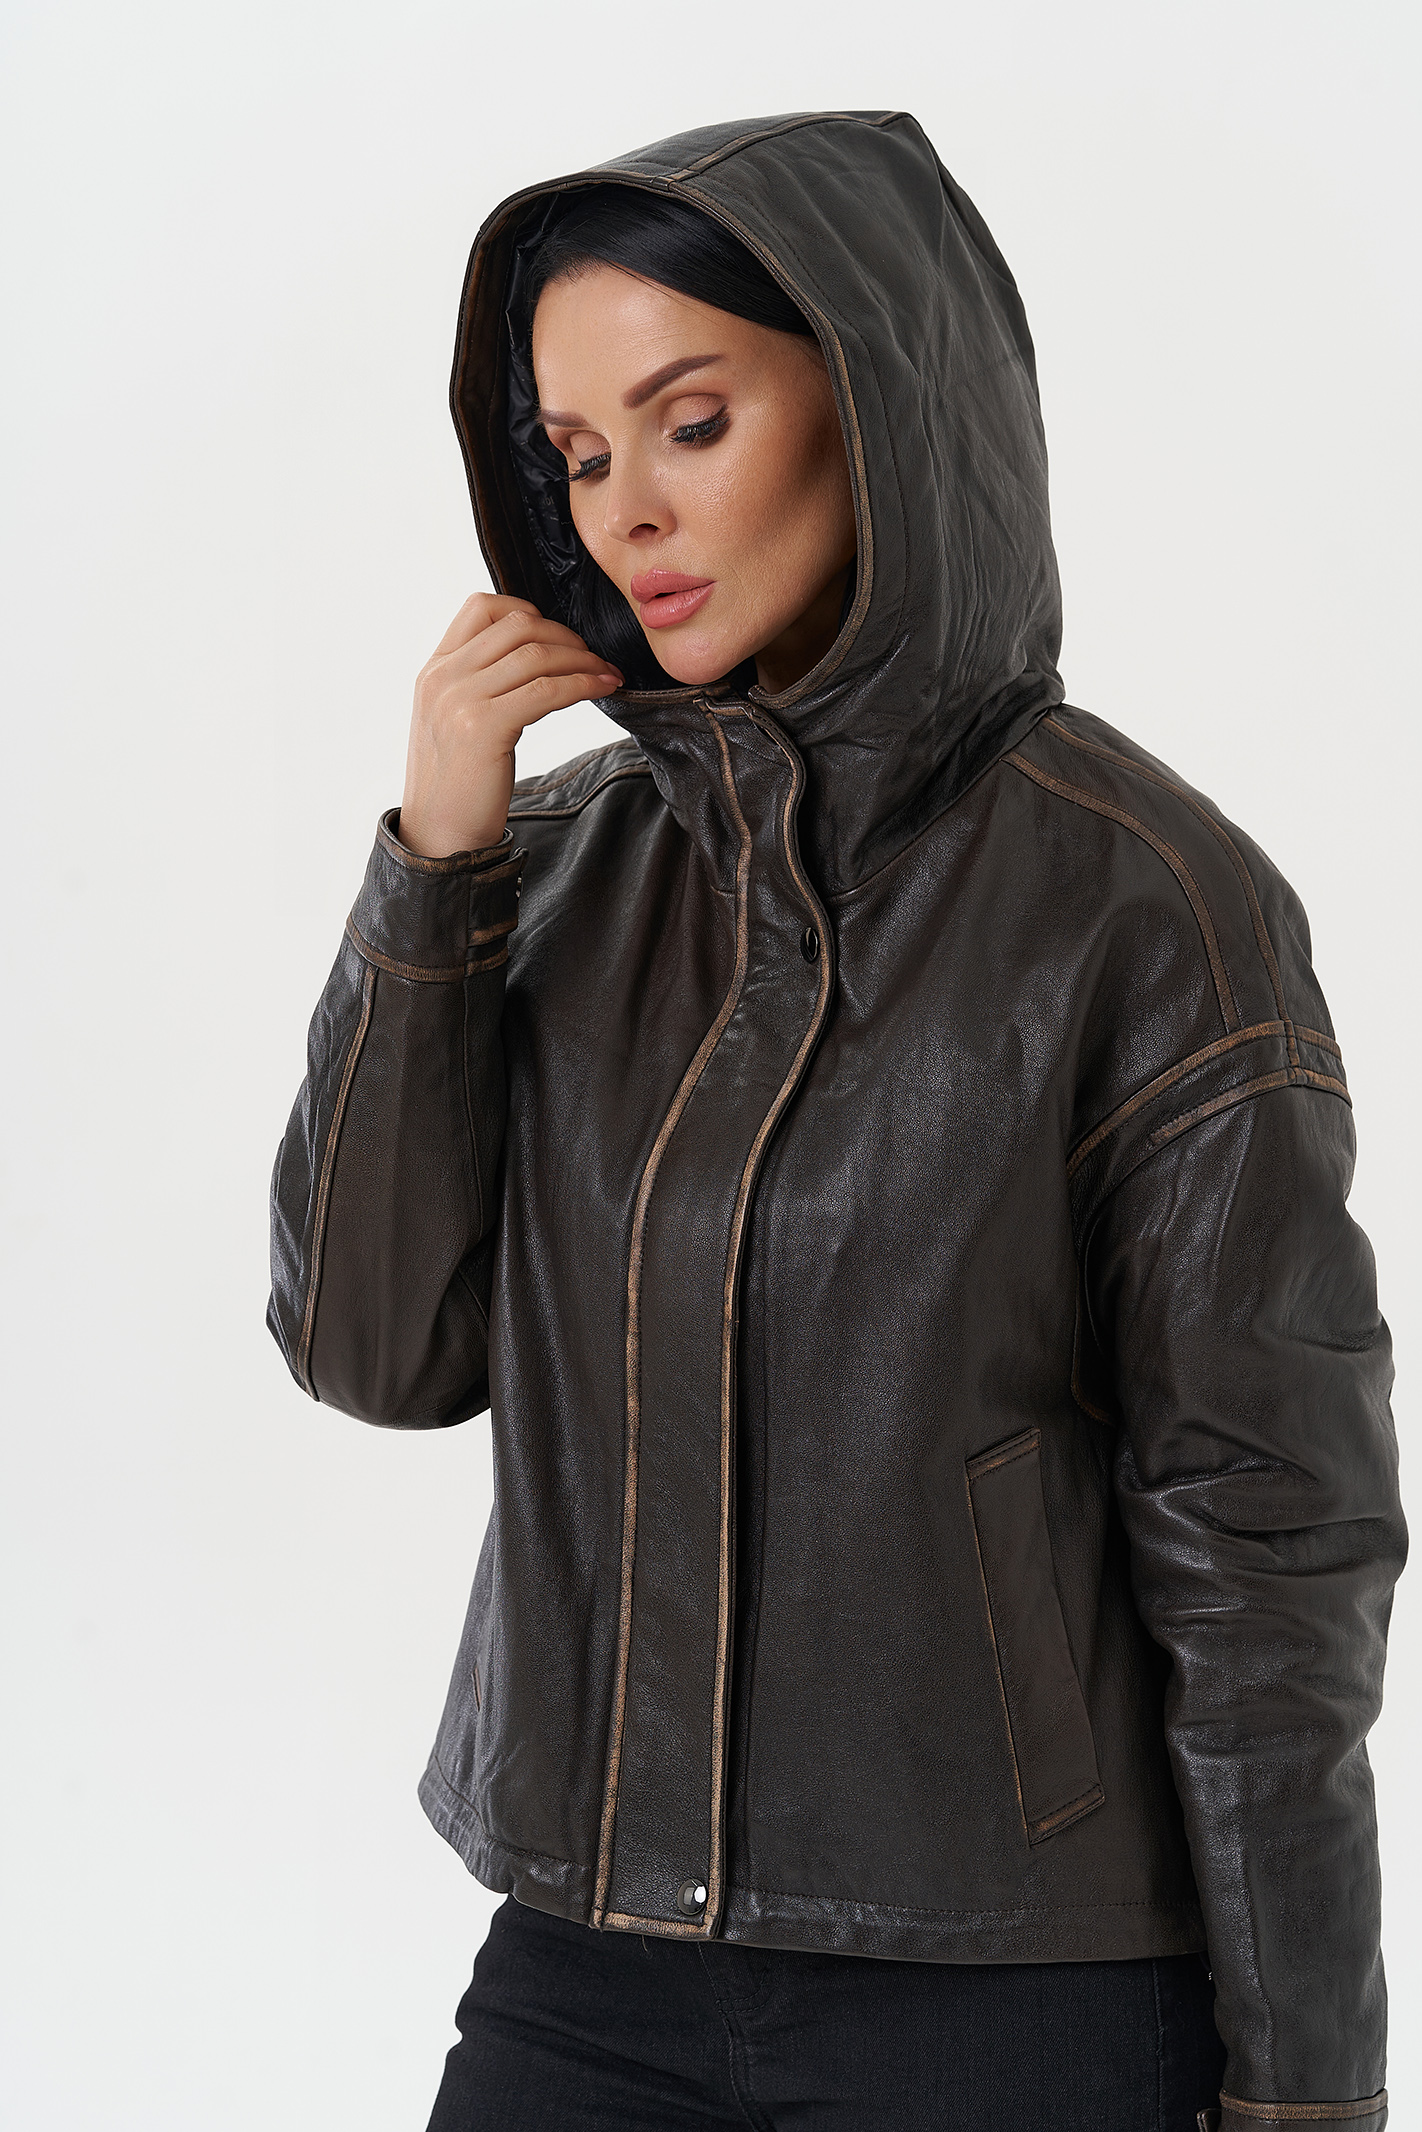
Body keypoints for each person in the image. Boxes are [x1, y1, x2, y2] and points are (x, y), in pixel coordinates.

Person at [266, 111, 1406, 2131]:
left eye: (690, 422)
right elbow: (375, 1350)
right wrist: (435, 867)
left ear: (881, 406)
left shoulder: (1144, 905)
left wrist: (1304, 2093)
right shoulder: (553, 873)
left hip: (1014, 1993)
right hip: (588, 1970)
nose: (626, 510)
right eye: (575, 455)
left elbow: (1267, 1550)